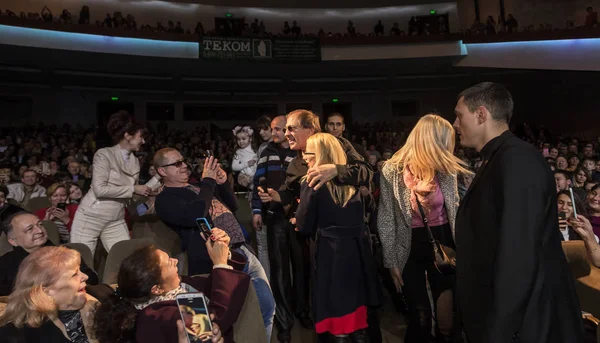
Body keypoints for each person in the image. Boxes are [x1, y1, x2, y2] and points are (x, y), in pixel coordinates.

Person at [453, 82, 583, 342]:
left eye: (459, 115)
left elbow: (519, 252)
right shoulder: (498, 157)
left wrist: (500, 329)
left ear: (481, 114)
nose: (455, 124)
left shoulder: (516, 160)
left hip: (526, 320)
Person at [259, 109, 375, 342]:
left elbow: (367, 172)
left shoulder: (338, 146)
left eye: (291, 128)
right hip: (322, 242)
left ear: (310, 129)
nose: (286, 133)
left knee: (353, 303)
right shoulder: (296, 165)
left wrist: (337, 169)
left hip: (351, 242)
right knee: (332, 299)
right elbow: (291, 194)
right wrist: (278, 198)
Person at [153, 149, 275, 341]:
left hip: (242, 251)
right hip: (214, 260)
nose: (184, 166)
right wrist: (208, 182)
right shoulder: (165, 199)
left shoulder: (200, 187)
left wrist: (222, 182)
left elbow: (233, 205)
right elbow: (196, 215)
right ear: (162, 171)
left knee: (267, 307)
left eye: (183, 161)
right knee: (226, 317)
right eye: (177, 164)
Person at [377, 114, 469, 342]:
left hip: (443, 241)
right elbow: (387, 217)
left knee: (446, 318)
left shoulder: (446, 168)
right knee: (420, 317)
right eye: (446, 141)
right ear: (432, 141)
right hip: (408, 246)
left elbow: (455, 209)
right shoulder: (392, 170)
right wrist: (392, 261)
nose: (450, 147)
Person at [296, 133, 382, 342]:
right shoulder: (356, 186)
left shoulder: (313, 184)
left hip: (331, 258)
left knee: (337, 320)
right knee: (358, 322)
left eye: (309, 152)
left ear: (320, 155)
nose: (305, 156)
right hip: (358, 257)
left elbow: (304, 225)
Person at [92, 237, 241, 343]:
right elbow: (216, 319)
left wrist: (223, 253)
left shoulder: (173, 288)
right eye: (169, 262)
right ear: (156, 289)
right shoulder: (159, 317)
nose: (176, 261)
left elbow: (219, 284)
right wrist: (220, 264)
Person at [70, 111, 160, 257]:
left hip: (115, 218)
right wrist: (133, 189)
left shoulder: (135, 161)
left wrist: (157, 178)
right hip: (91, 216)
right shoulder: (104, 154)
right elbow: (100, 190)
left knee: (126, 259)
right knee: (81, 261)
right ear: (127, 136)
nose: (143, 141)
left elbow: (133, 195)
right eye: (141, 137)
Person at [252, 115, 298, 343]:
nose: (275, 133)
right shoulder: (266, 152)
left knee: (301, 270)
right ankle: (284, 324)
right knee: (280, 272)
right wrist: (257, 209)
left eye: (279, 129)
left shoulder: (298, 151)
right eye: (272, 129)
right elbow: (257, 183)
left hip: (298, 219)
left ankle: (304, 313)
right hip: (275, 217)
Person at [0, 246, 98, 343]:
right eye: (74, 274)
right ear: (46, 291)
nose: (86, 276)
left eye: (80, 270)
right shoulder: (18, 335)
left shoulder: (97, 298)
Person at [0, 211, 99, 296]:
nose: (39, 231)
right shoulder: (5, 263)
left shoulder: (66, 252)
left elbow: (92, 279)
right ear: (13, 241)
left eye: (40, 224)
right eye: (30, 229)